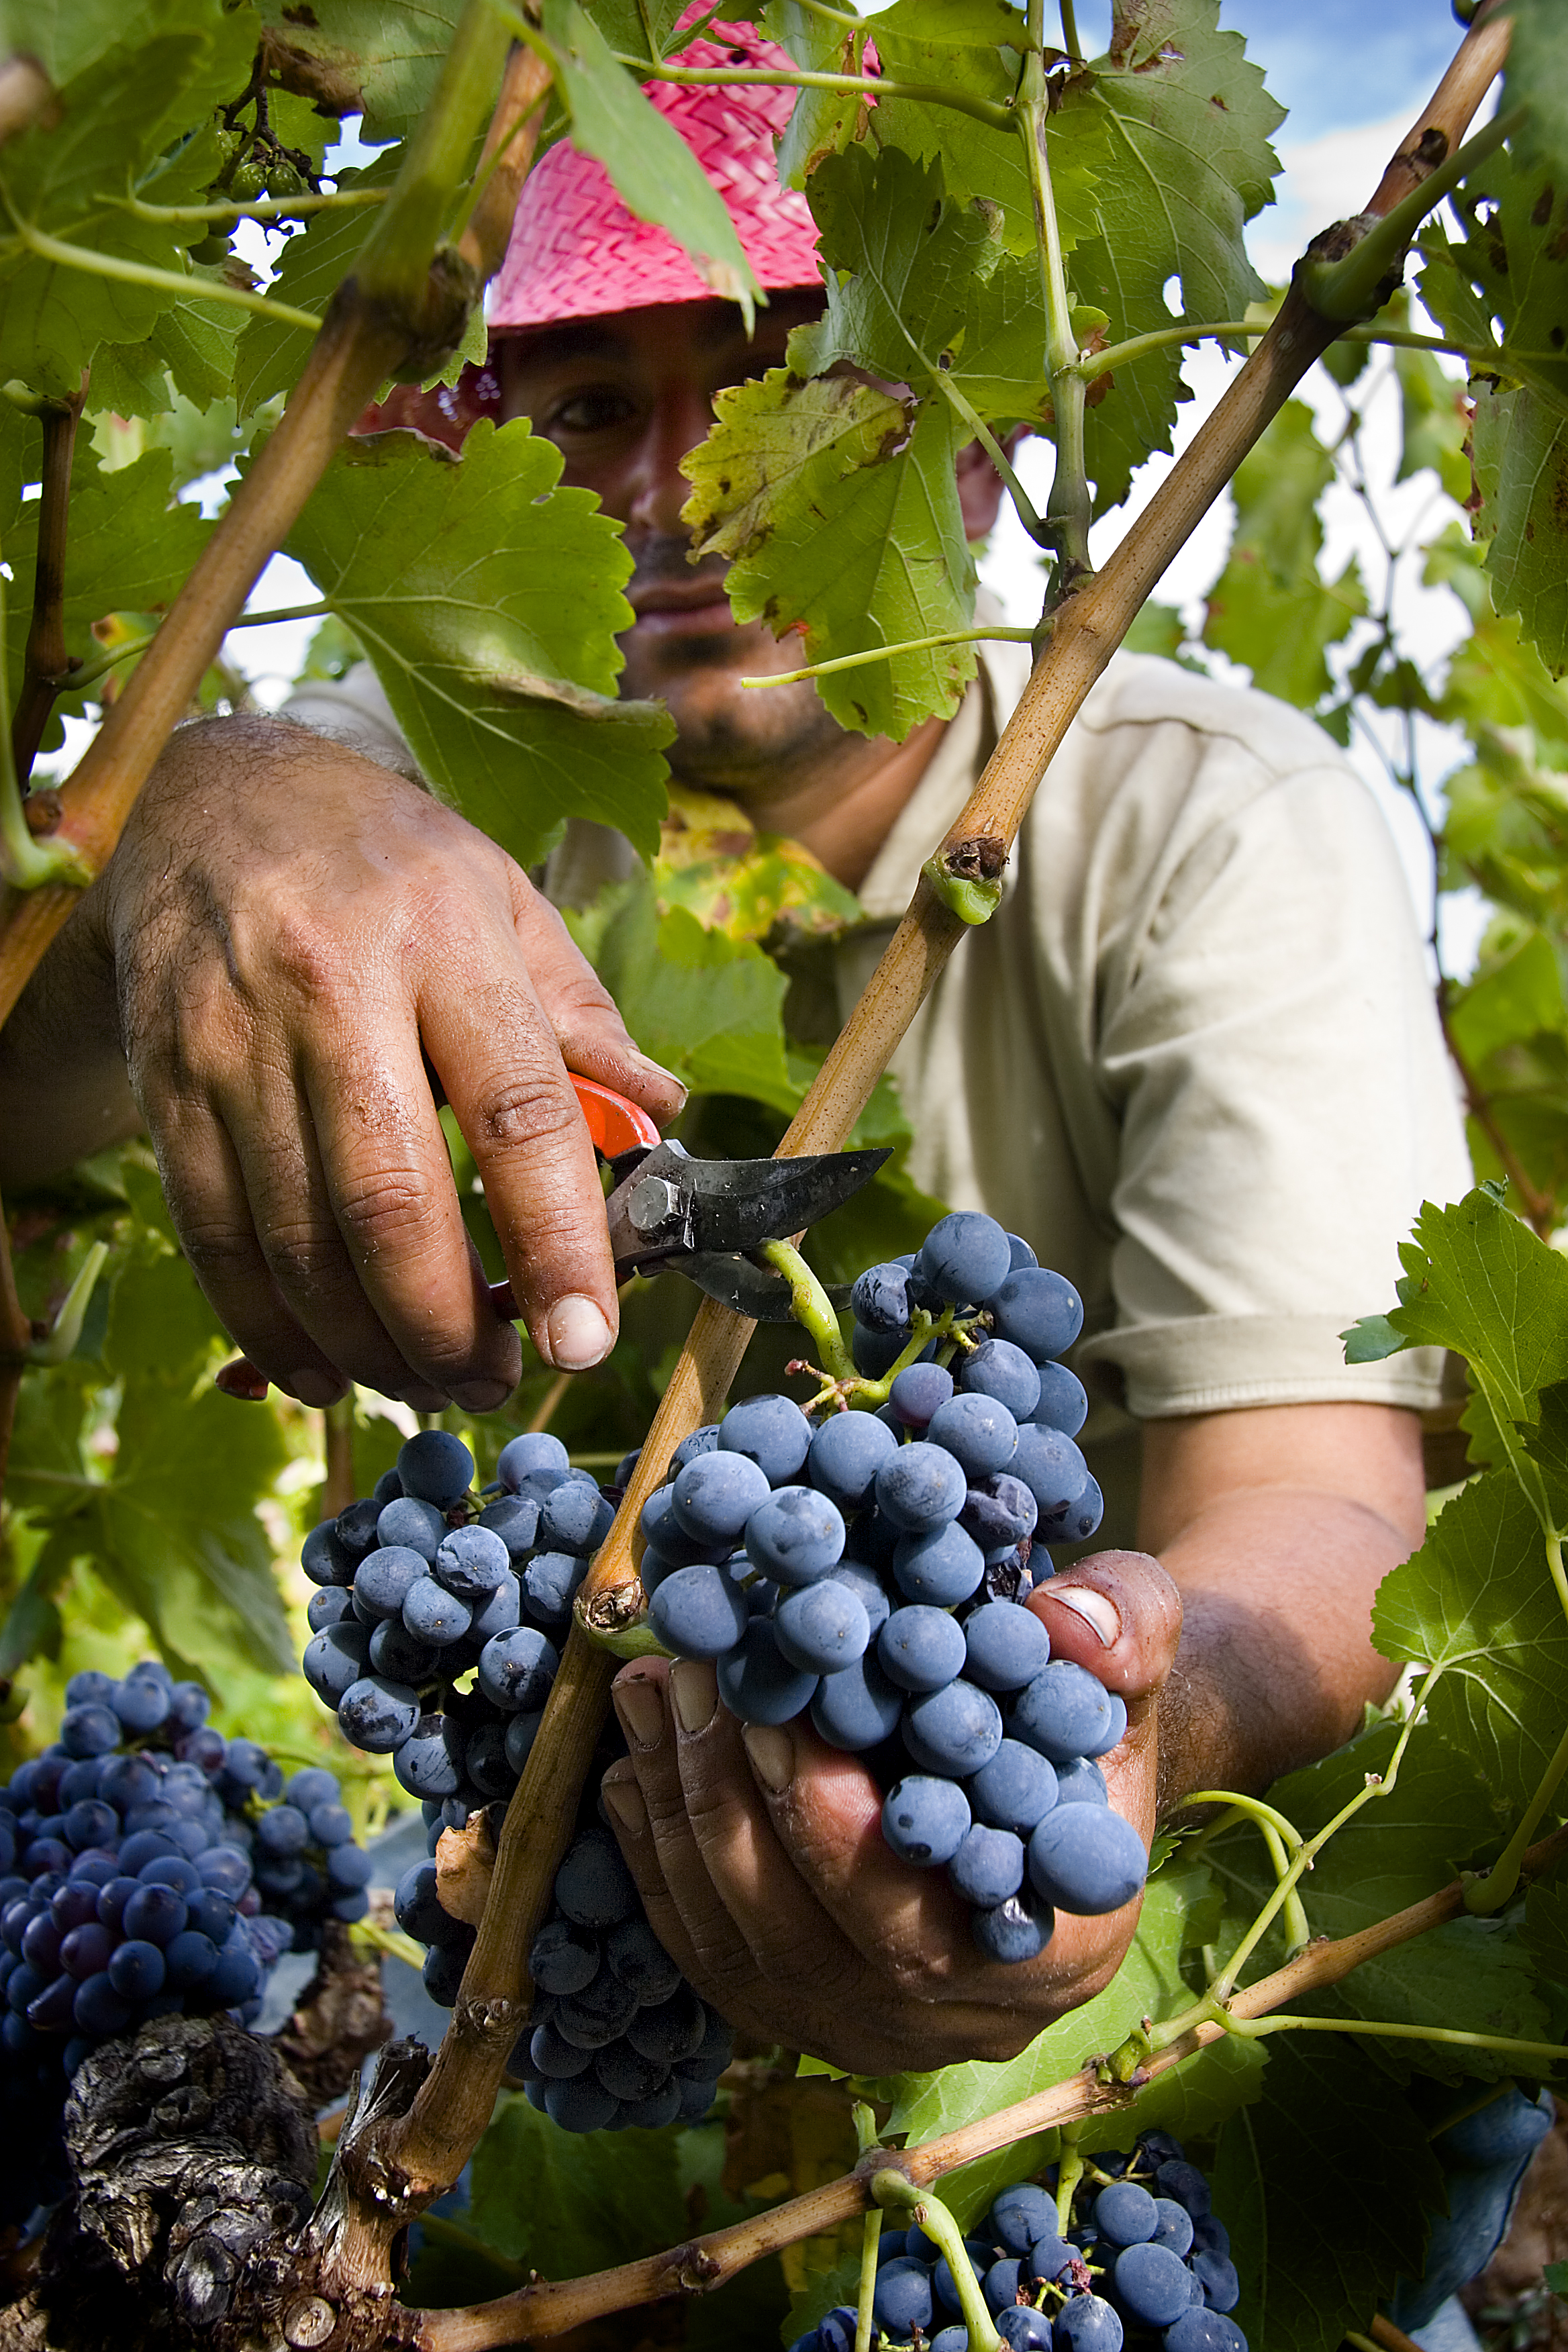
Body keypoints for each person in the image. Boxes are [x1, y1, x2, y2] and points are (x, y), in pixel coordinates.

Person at [0, 20, 1472, 2067]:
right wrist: (193, 807)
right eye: (595, 405)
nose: (685, 488)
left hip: (1098, 1946)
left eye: (781, 380)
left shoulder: (1217, 824)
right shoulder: (421, 764)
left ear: (960, 436)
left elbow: (1326, 1503)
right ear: (498, 437)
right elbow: (12, 1070)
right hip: (600, 1918)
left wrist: (1153, 1686)